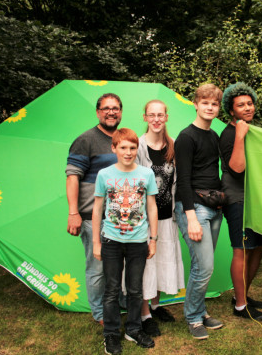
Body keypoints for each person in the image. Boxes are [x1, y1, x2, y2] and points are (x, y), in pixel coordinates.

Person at [92, 128, 159, 353]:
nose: (128, 152)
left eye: (132, 147)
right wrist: (96, 242)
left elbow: (151, 206)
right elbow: (98, 208)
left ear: (137, 149)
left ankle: (133, 329)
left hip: (139, 241)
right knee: (111, 289)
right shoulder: (105, 175)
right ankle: (110, 334)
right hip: (111, 240)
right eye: (123, 147)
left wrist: (153, 239)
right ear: (114, 148)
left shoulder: (146, 174)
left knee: (135, 288)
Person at [65, 93, 123, 325]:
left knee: (118, 266)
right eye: (106, 108)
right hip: (92, 217)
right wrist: (73, 212)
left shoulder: (122, 138)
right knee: (97, 267)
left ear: (121, 111)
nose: (111, 112)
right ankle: (100, 313)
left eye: (116, 108)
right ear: (98, 112)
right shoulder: (85, 140)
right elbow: (72, 177)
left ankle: (117, 304)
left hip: (121, 218)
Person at [174, 84, 225, 340]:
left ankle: (200, 309)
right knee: (203, 267)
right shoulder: (186, 137)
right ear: (195, 104)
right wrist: (191, 216)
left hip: (214, 208)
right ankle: (194, 318)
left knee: (202, 265)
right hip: (193, 209)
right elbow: (183, 180)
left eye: (214, 104)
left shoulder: (214, 136)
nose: (209, 107)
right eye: (205, 102)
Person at [219, 83, 262, 321]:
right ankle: (240, 306)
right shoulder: (230, 133)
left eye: (250, 103)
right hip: (237, 199)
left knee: (259, 247)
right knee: (242, 250)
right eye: (241, 105)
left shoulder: (252, 130)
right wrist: (239, 134)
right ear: (231, 111)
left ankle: (243, 295)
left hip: (255, 199)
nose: (247, 108)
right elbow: (237, 168)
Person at [138, 100, 185, 337]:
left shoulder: (173, 146)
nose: (156, 119)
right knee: (146, 265)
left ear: (166, 117)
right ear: (145, 117)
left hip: (168, 216)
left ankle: (156, 306)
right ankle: (145, 314)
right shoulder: (137, 147)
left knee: (162, 262)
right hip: (144, 220)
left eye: (161, 115)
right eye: (151, 115)